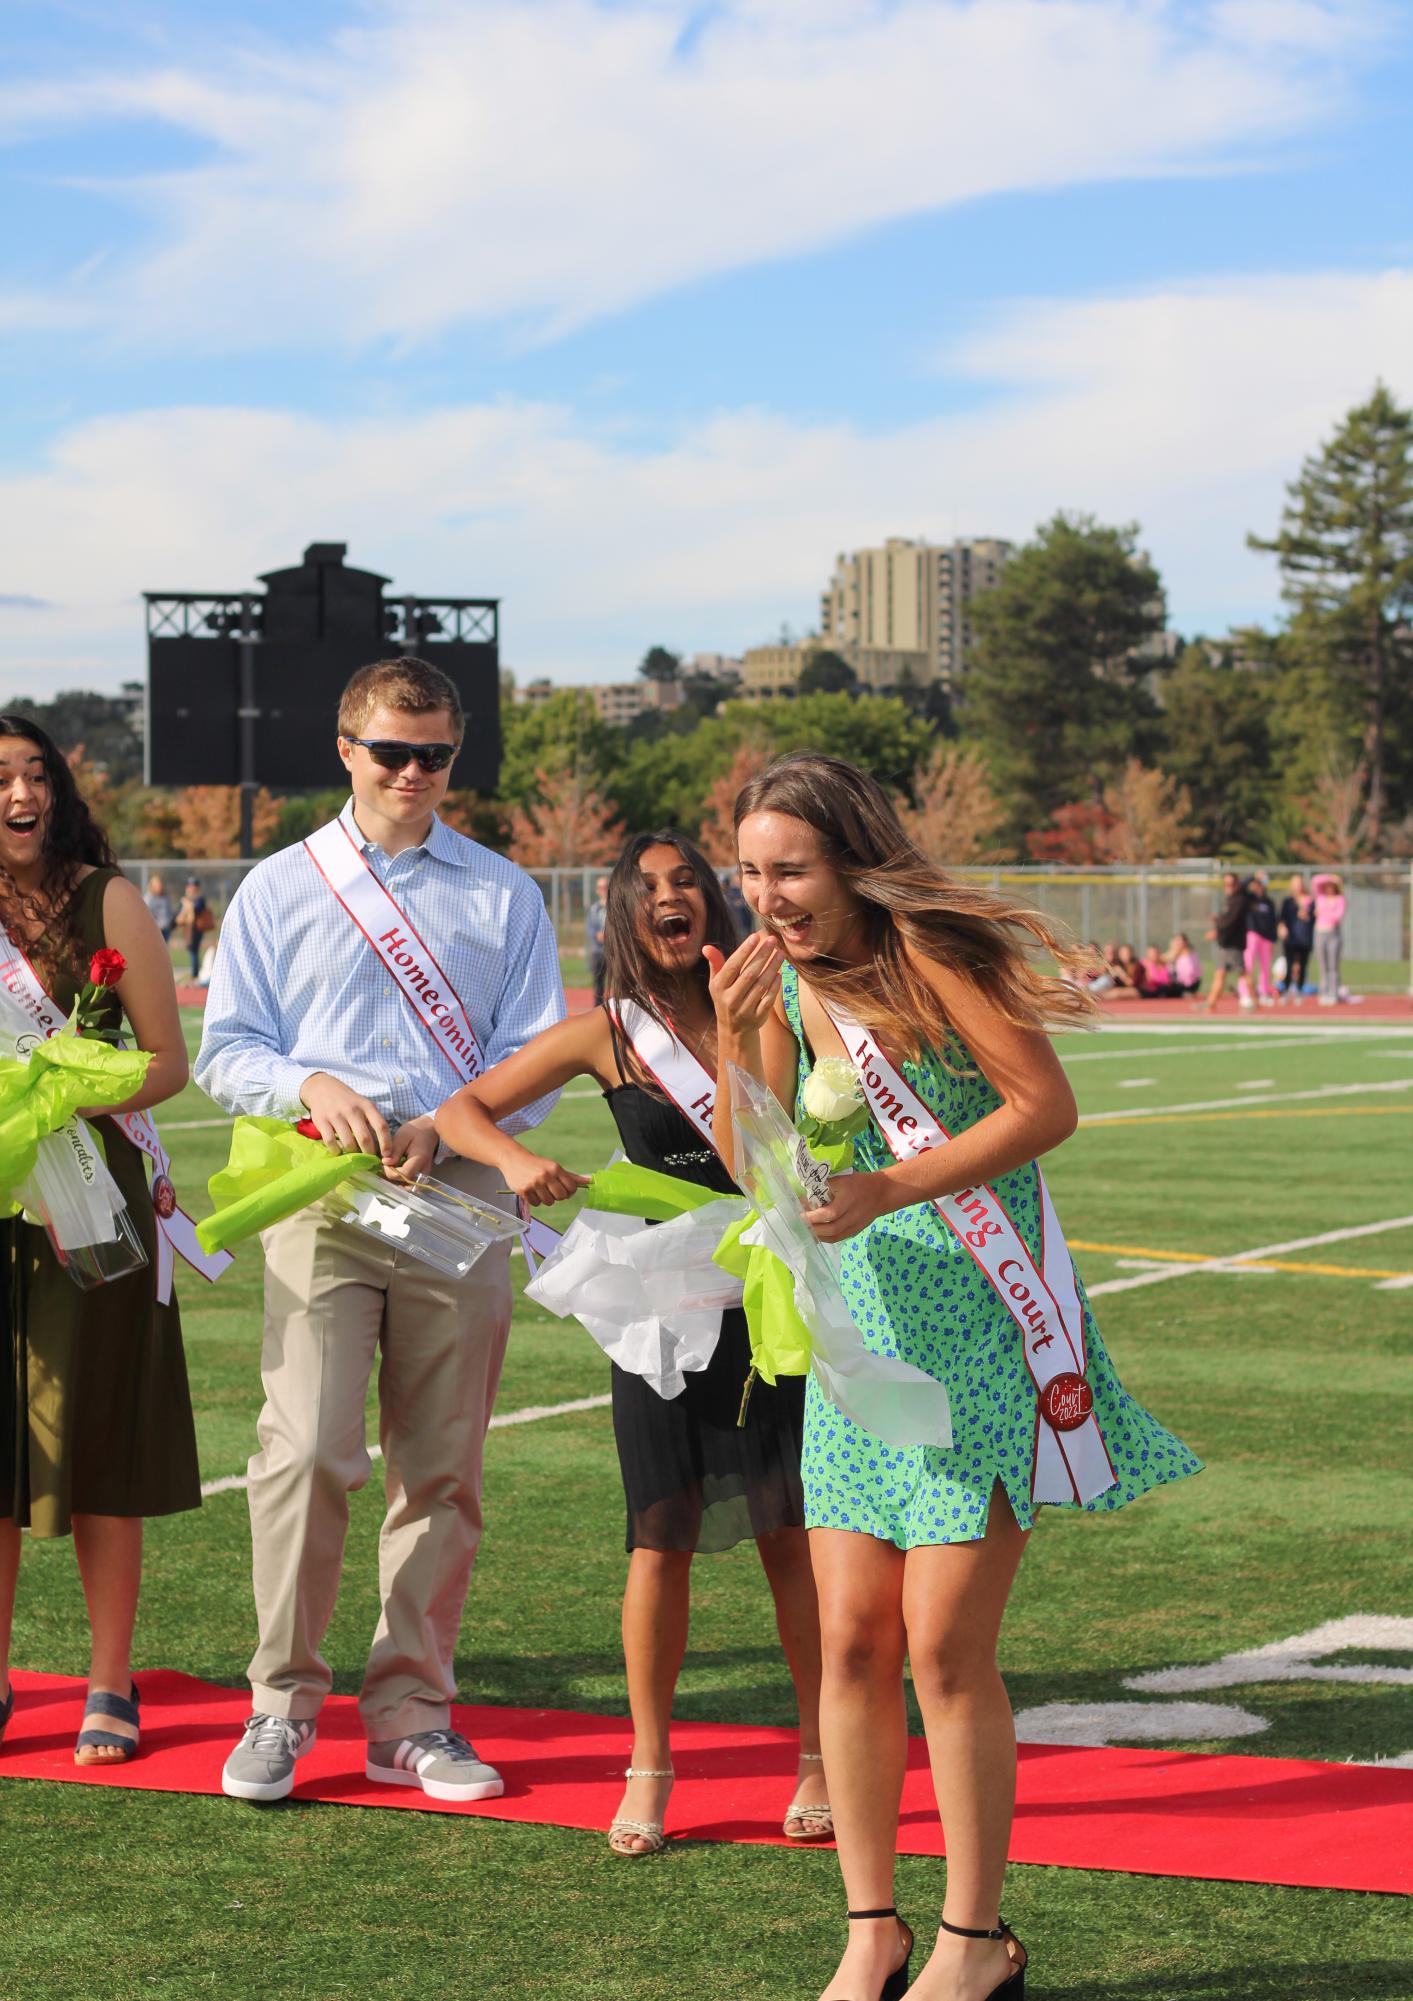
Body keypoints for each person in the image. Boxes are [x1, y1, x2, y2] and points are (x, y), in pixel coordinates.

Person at [708, 753, 1200, 2001]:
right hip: (861, 1348)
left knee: (942, 1648)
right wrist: (728, 1035)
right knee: (852, 1645)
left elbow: (1043, 1108)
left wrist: (891, 1185)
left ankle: (976, 1943)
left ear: (853, 863)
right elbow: (750, 1163)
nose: (768, 897)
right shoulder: (779, 985)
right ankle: (871, 1930)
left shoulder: (934, 961)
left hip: (985, 1334)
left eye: (793, 871)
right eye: (752, 874)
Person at [196, 656, 564, 1805]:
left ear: (457, 756)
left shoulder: (507, 893)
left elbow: (535, 1064)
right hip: (324, 1201)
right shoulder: (276, 887)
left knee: (441, 1470)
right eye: (392, 752)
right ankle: (280, 1703)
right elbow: (226, 1051)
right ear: (346, 751)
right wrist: (309, 1085)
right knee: (304, 1450)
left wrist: (455, 1130)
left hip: (458, 1197)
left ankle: (412, 1713)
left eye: (435, 755)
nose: (413, 773)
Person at [434, 831, 826, 1856]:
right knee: (661, 1540)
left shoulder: (772, 1005)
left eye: (688, 880)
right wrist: (518, 1163)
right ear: (623, 912)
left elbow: (772, 1155)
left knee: (794, 1541)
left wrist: (748, 1029)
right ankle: (649, 1765)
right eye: (648, 887)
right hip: (665, 1319)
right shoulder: (606, 1033)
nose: (671, 896)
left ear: (714, 903)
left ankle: (821, 1753)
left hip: (771, 1305)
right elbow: (462, 1109)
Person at [0, 717, 199, 1766]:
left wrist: (67, 1092)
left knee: (104, 1444)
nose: (20, 791)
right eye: (0, 777)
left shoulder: (108, 898)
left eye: (36, 773)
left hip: (88, 1198)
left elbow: (166, 1061)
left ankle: (109, 1681)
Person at [1203, 870, 1250, 1013]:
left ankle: (1256, 1001)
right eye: (1226, 884)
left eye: (1231, 883)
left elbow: (1231, 921)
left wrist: (1217, 931)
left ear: (1237, 884)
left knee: (1242, 973)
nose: (1228, 886)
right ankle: (1210, 1003)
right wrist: (1217, 920)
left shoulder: (1239, 900)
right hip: (1225, 944)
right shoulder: (1230, 900)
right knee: (1220, 974)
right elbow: (1225, 919)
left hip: (1233, 944)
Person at [1278, 875, 1315, 1003]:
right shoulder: (1288, 901)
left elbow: (1315, 917)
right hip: (1291, 938)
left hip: (1305, 938)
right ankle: (1286, 990)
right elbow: (1281, 918)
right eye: (1295, 883)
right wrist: (1282, 928)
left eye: (1299, 883)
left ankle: (1299, 990)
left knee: (1303, 966)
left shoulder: (1310, 901)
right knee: (1289, 965)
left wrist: (1308, 915)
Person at [1243, 874, 1278, 1008]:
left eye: (1261, 884)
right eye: (1257, 884)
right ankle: (1246, 993)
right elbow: (1241, 886)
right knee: (1248, 965)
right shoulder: (1249, 899)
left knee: (1265, 967)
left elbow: (1273, 921)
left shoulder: (1269, 902)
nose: (1259, 887)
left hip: (1266, 938)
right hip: (1252, 935)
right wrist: (1252, 876)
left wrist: (1273, 938)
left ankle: (1264, 992)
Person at [1312, 873, 1346, 1005]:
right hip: (1320, 932)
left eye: (1332, 886)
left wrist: (1323, 914)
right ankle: (1324, 992)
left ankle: (1334, 993)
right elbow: (1315, 881)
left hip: (1333, 933)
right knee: (1323, 965)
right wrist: (1331, 877)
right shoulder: (1320, 898)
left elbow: (1337, 916)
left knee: (1333, 965)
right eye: (1328, 886)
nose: (1329, 888)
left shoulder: (1340, 899)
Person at [174, 874, 210, 983]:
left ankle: (194, 975)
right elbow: (178, 913)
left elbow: (197, 909)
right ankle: (194, 974)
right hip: (187, 929)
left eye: (193, 886)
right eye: (189, 886)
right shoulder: (185, 900)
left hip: (197, 929)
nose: (191, 888)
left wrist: (188, 905)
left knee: (194, 951)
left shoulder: (199, 899)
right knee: (191, 951)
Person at [587, 873, 610, 1005]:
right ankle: (598, 1009)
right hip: (598, 951)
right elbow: (590, 928)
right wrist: (597, 935)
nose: (603, 890)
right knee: (598, 982)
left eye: (605, 887)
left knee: (618, 982)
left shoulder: (616, 907)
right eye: (600, 887)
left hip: (613, 951)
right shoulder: (594, 909)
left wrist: (610, 935)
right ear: (597, 890)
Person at [1163, 933, 1202, 997]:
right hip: (1177, 983)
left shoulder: (1190, 953)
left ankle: (1186, 992)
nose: (1178, 943)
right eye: (1176, 941)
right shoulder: (1173, 952)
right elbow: (1162, 960)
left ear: (1185, 942)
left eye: (1179, 941)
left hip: (1191, 983)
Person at [143, 872, 174, 942]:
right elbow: (146, 915)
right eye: (156, 884)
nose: (159, 885)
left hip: (165, 929)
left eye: (160, 883)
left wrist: (169, 923)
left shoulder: (166, 897)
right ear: (152, 885)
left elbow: (169, 912)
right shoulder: (149, 898)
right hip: (154, 931)